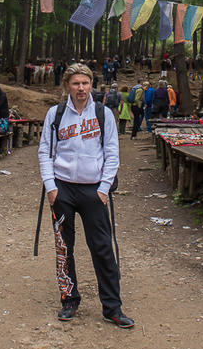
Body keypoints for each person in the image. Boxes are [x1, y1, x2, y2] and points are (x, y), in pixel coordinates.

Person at [38, 63, 133, 328]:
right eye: (76, 83)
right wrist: (51, 187)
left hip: (94, 191)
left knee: (102, 249)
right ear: (67, 85)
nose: (81, 88)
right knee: (63, 248)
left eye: (85, 83)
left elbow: (112, 153)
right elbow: (45, 151)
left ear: (91, 85)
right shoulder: (55, 114)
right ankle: (69, 301)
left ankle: (112, 307)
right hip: (63, 189)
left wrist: (103, 189)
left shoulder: (103, 114)